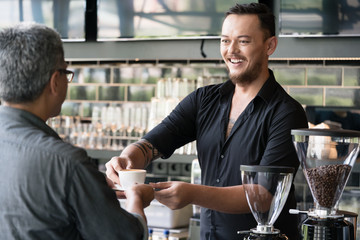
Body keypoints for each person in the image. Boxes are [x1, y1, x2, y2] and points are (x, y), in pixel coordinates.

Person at [106, 3, 308, 240]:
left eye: (243, 41)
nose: (231, 51)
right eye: (225, 41)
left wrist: (191, 193)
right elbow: (153, 143)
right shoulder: (204, 101)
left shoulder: (286, 112)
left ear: (269, 45)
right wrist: (127, 158)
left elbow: (264, 195)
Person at [0, 23, 154, 240]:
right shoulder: (68, 163)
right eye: (66, 72)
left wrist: (91, 184)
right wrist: (136, 199)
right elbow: (127, 236)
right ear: (55, 81)